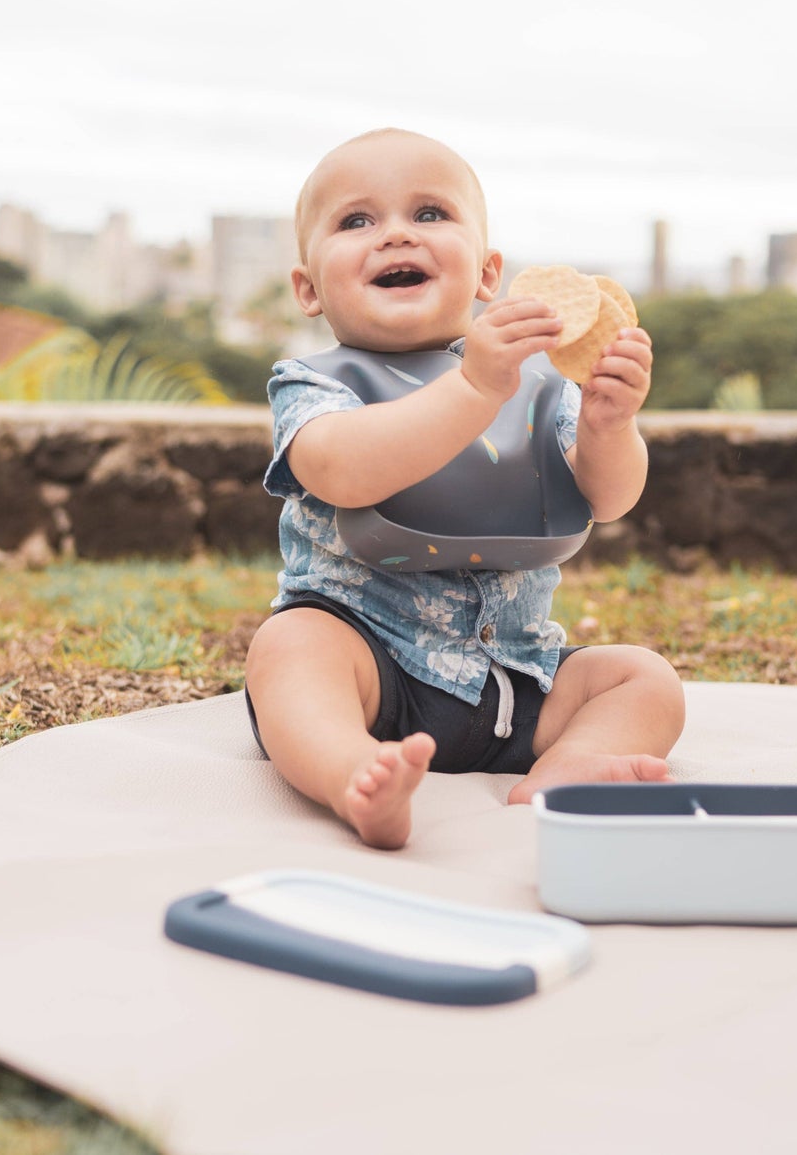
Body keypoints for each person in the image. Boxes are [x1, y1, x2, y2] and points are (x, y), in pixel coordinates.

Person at [244, 127, 685, 849]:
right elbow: (341, 468)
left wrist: (610, 424)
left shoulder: (540, 380)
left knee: (642, 678)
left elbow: (609, 499)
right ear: (308, 288)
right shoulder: (317, 383)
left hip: (515, 676)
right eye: (356, 221)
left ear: (486, 275)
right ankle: (354, 773)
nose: (394, 237)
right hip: (371, 667)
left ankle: (569, 766)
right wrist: (474, 388)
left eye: (428, 214)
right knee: (290, 648)